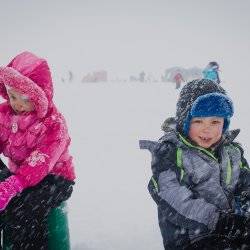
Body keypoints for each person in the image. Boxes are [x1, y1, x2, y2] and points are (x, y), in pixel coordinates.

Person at [139, 79, 250, 250]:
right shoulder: (170, 153)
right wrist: (220, 221)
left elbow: (245, 184)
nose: (207, 129)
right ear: (185, 121)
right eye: (198, 121)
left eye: (215, 122)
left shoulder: (232, 152)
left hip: (232, 230)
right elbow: (174, 196)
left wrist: (246, 205)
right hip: (192, 239)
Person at [0, 51, 76, 249]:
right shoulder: (4, 115)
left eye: (24, 98)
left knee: (23, 208)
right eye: (12, 96)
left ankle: (30, 244)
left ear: (38, 95)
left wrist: (12, 186)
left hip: (54, 179)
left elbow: (41, 161)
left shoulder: (53, 124)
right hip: (18, 174)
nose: (16, 103)